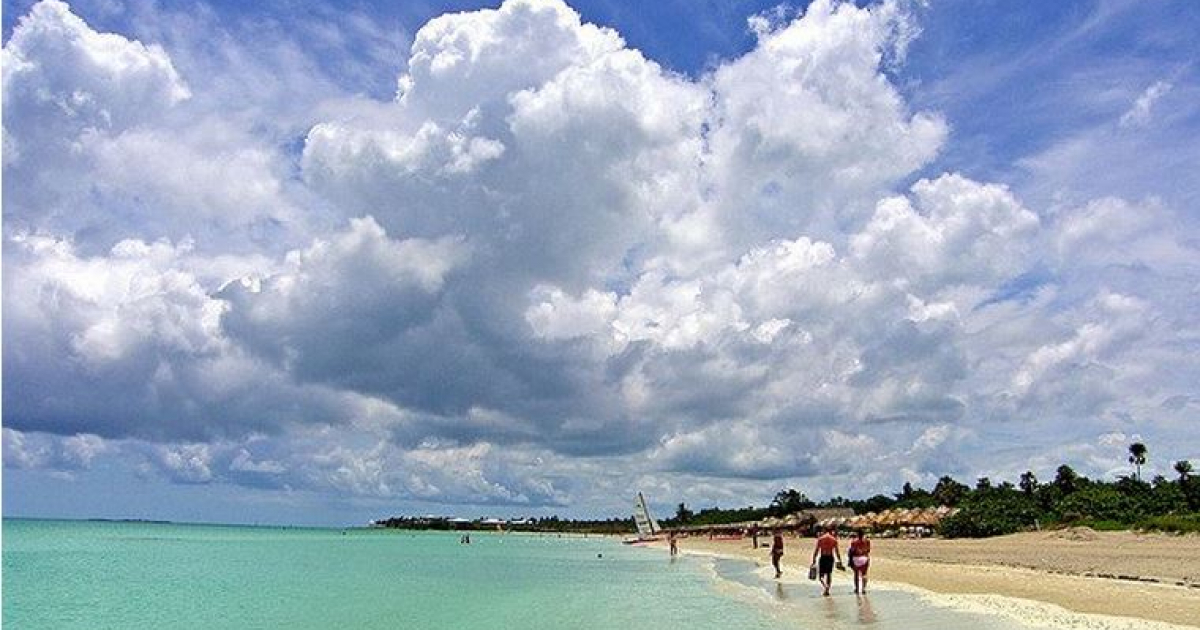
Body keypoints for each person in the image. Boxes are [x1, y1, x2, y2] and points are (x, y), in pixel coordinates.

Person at [810, 527, 843, 596]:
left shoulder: (821, 539)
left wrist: (814, 559)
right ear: (831, 531)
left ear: (824, 531)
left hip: (823, 557)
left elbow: (817, 550)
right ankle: (827, 590)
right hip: (830, 557)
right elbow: (837, 552)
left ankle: (825, 587)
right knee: (829, 574)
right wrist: (840, 560)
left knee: (821, 576)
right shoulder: (834, 540)